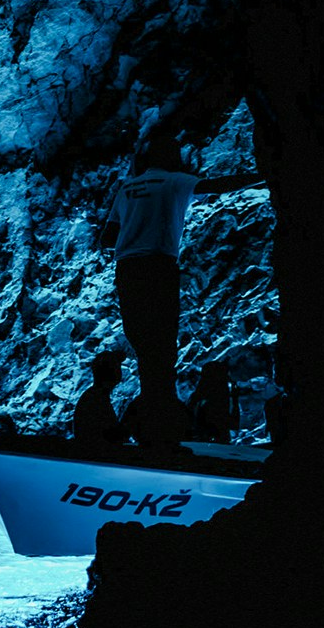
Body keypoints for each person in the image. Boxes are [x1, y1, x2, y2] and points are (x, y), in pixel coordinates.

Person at [99, 137, 263, 443]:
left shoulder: (127, 187)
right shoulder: (175, 181)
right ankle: (162, 423)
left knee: (143, 344)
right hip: (159, 266)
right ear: (173, 158)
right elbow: (217, 186)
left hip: (127, 270)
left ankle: (149, 416)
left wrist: (136, 225)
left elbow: (106, 239)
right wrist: (260, 176)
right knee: (162, 344)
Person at [72, 350, 128, 443]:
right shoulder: (95, 400)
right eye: (117, 367)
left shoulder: (94, 396)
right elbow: (109, 437)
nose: (120, 371)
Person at [187, 359, 240, 443]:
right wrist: (235, 400)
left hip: (202, 443)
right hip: (217, 442)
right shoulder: (219, 400)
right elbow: (233, 424)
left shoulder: (196, 400)